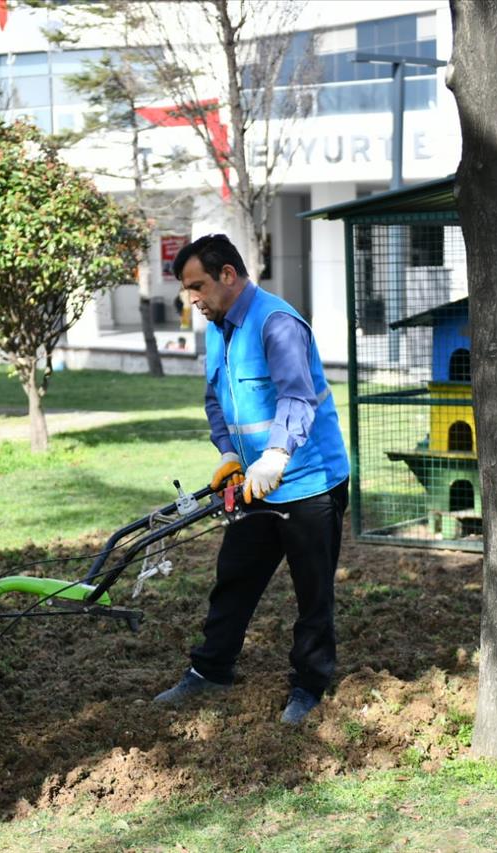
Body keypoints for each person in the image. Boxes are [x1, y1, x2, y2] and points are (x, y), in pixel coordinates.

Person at [153, 233, 350, 725]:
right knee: (235, 578)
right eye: (186, 290)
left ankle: (309, 686)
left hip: (309, 484)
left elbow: (296, 398)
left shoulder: (276, 323)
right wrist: (228, 454)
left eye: (197, 286)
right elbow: (215, 399)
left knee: (312, 592)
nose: (191, 299)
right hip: (253, 484)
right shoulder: (216, 328)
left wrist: (277, 453)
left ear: (228, 275)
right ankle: (210, 671)